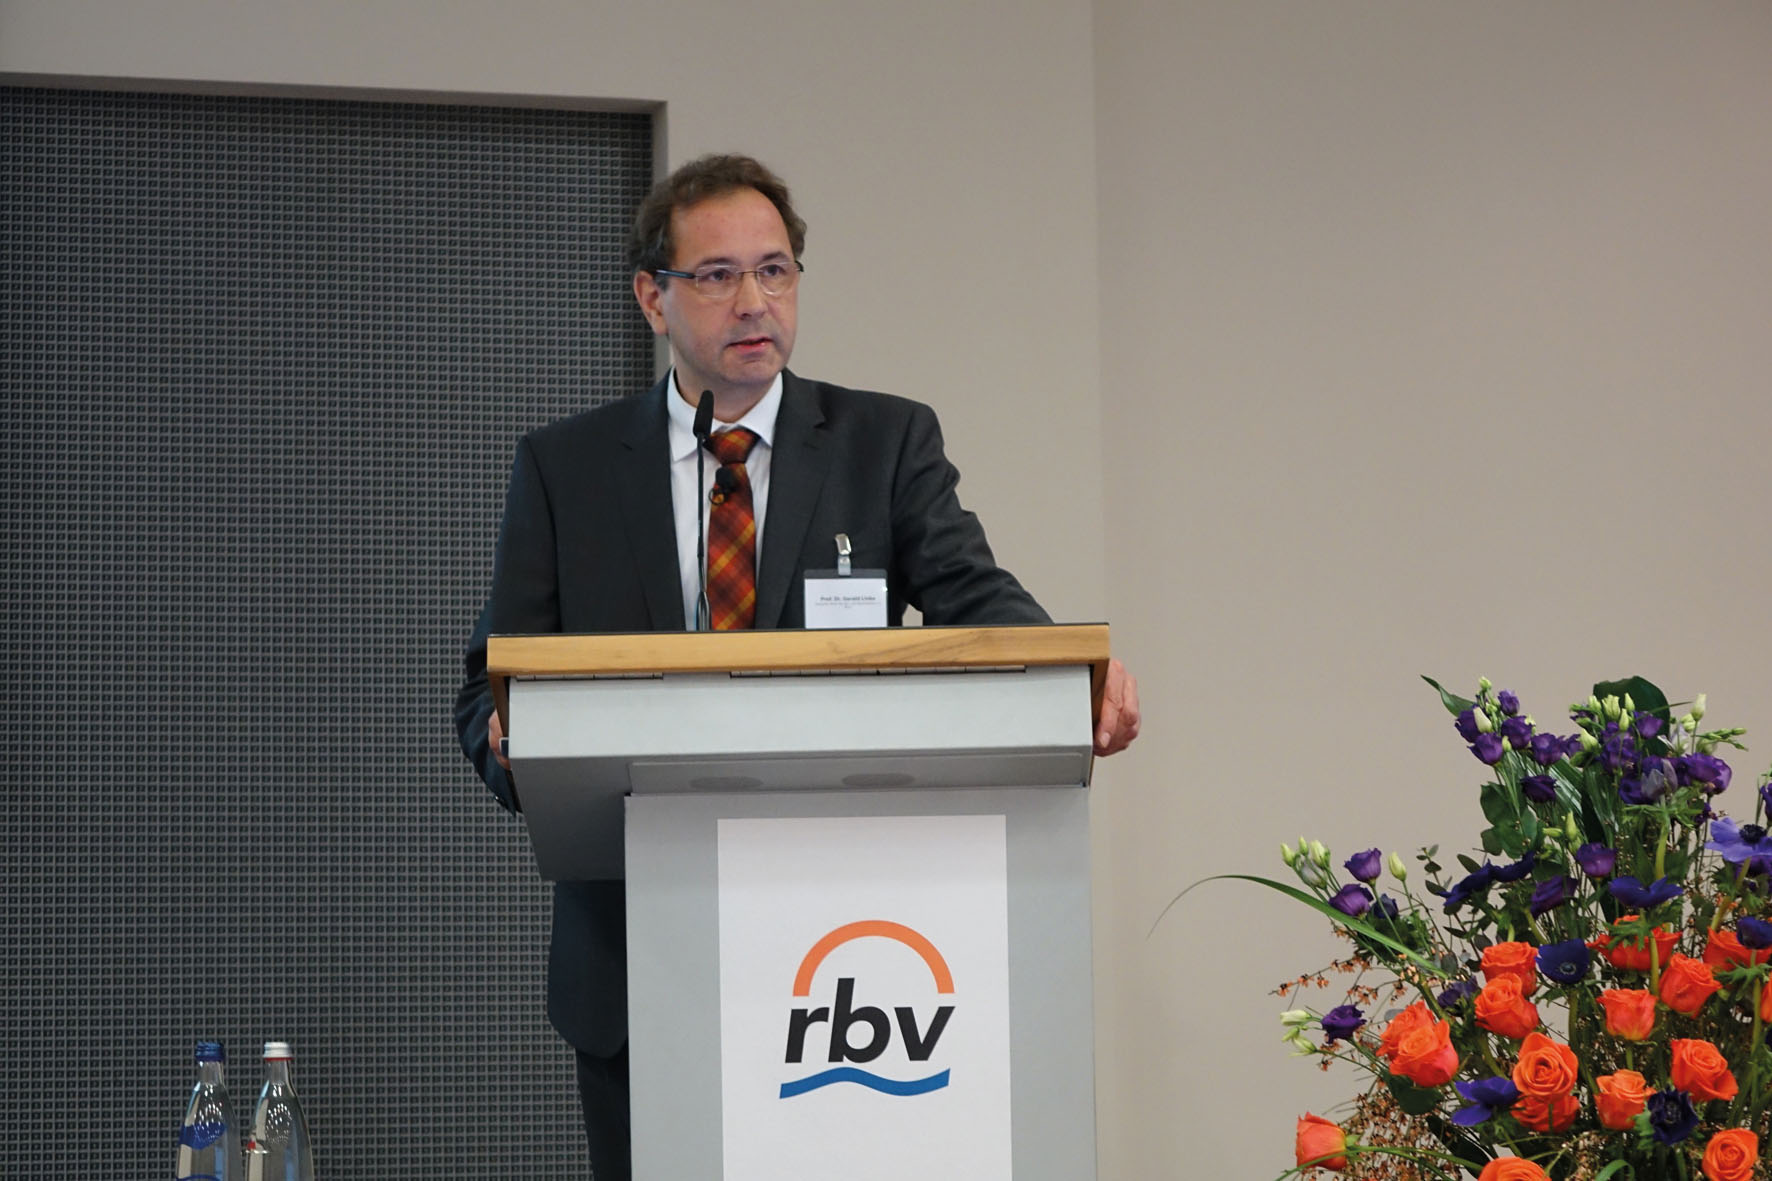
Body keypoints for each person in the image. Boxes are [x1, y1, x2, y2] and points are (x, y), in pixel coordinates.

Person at [453, 153, 1140, 1179]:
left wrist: (1073, 674)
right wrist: (510, 739)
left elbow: (973, 597)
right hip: (639, 957)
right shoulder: (568, 467)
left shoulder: (881, 442)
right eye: (717, 275)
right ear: (652, 295)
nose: (754, 301)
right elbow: (487, 686)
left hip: (853, 951)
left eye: (774, 271)